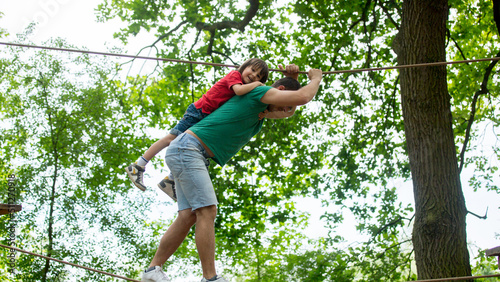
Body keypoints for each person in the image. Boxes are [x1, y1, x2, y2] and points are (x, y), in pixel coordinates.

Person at [140, 65, 323, 282]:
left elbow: (292, 106)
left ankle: (152, 271)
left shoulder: (261, 112)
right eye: (285, 106)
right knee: (207, 210)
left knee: (188, 215)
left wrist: (292, 79)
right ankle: (210, 278)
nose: (285, 111)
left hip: (187, 151)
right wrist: (316, 79)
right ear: (280, 90)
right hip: (188, 149)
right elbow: (302, 97)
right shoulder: (259, 93)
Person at [126, 58, 269, 200]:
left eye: (258, 76)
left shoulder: (247, 88)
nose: (254, 76)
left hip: (206, 119)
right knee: (171, 138)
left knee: (190, 147)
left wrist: (264, 112)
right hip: (199, 112)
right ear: (245, 66)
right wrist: (258, 84)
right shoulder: (235, 76)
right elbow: (238, 91)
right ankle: (138, 165)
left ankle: (170, 181)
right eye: (253, 70)